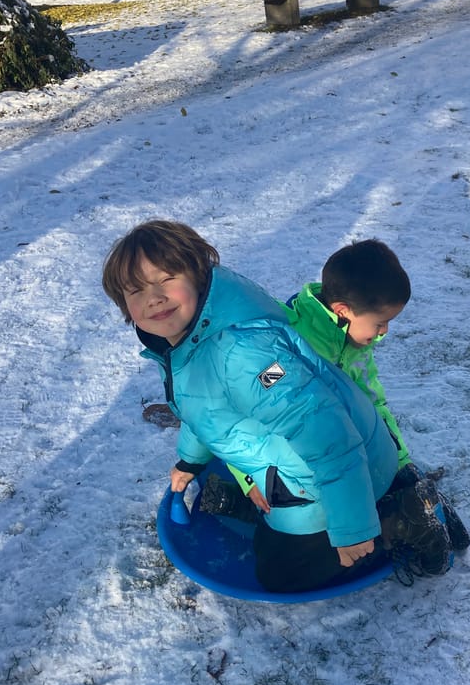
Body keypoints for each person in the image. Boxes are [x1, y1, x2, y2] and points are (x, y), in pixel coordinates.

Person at [101, 221, 451, 593]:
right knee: (269, 536)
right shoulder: (188, 342)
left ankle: (400, 520)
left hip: (349, 474)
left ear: (199, 276)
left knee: (279, 573)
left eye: (166, 279)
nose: (152, 298)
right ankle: (270, 512)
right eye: (136, 290)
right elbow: (204, 408)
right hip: (315, 464)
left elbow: (326, 432)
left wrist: (353, 528)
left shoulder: (245, 354)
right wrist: (190, 461)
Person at [205, 239, 470, 552]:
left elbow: (373, 402)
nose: (384, 332)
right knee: (300, 511)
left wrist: (400, 465)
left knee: (369, 475)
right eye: (380, 323)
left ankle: (402, 501)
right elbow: (239, 412)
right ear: (342, 312)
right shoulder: (284, 351)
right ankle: (234, 500)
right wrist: (249, 479)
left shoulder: (355, 343)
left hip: (337, 441)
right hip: (288, 451)